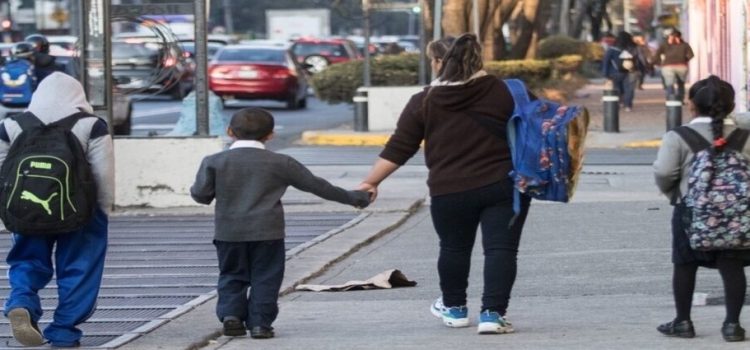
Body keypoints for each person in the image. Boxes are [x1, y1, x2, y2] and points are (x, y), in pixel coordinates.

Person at [357, 33, 532, 335]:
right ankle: (493, 315)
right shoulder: (507, 92)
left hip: (449, 190)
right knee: (501, 250)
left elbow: (399, 148)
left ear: (439, 62)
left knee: (453, 248)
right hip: (504, 186)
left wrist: (370, 182)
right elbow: (534, 129)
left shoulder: (424, 100)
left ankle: (454, 308)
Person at [190, 108, 371, 339]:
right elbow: (317, 186)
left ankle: (231, 317)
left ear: (230, 131)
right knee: (266, 277)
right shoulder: (281, 162)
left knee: (232, 274)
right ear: (270, 135)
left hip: (229, 233)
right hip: (268, 232)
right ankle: (260, 324)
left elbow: (201, 195)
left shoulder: (214, 161)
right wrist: (357, 197)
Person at [0, 72, 114, 347]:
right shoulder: (91, 125)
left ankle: (22, 302)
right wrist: (104, 210)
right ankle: (64, 331)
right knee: (80, 266)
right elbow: (103, 173)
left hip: (25, 208)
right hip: (81, 211)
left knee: (27, 258)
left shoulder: (11, 125)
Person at [653, 75, 749, 342]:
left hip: (689, 210)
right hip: (736, 215)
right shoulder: (745, 137)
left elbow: (664, 172)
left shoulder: (679, 136)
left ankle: (683, 321)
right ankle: (732, 325)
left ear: (692, 105)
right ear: (730, 106)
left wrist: (675, 193)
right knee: (732, 266)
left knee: (685, 264)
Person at [601, 31, 638, 112]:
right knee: (628, 89)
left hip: (615, 72)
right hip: (629, 72)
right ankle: (628, 105)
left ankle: (618, 103)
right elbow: (637, 60)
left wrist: (605, 74)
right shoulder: (632, 48)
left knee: (616, 88)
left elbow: (606, 61)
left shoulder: (612, 49)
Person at [654, 29, 694, 102]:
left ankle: (671, 100)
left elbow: (657, 55)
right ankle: (680, 100)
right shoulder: (685, 45)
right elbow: (691, 55)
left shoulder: (665, 45)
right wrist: (684, 60)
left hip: (668, 66)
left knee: (669, 84)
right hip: (682, 66)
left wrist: (659, 63)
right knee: (681, 84)